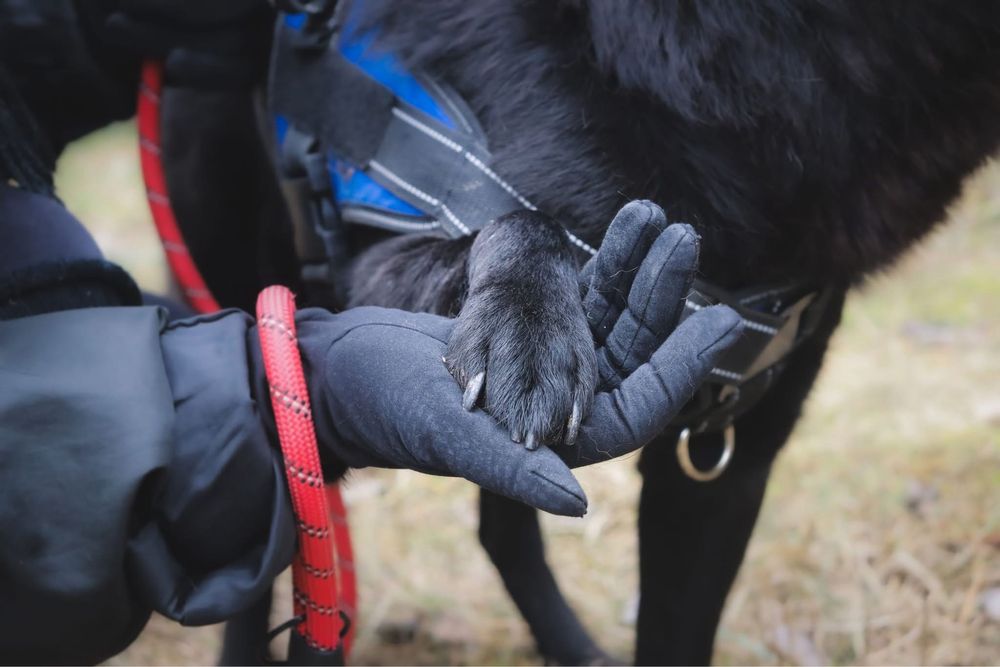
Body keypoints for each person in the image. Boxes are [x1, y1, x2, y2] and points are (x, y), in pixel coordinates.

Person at [0, 1, 743, 663]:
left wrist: (83, 28)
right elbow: (50, 468)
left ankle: (521, 571)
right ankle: (246, 627)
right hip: (231, 133)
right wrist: (300, 393)